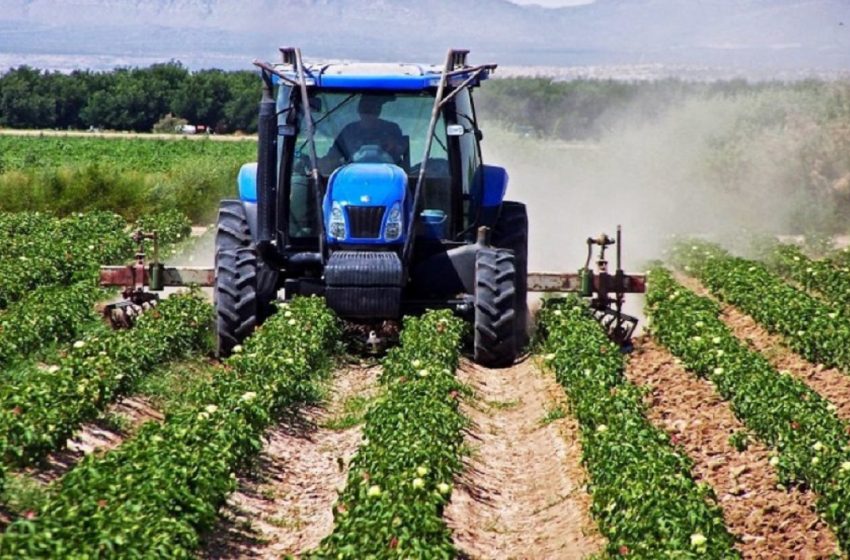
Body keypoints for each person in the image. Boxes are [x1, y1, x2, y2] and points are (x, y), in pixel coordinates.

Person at [323, 96, 404, 168]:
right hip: (351, 175)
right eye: (365, 110)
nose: (369, 114)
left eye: (372, 110)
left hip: (390, 173)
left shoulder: (391, 129)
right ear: (359, 110)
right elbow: (333, 156)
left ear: (378, 111)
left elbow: (402, 153)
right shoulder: (349, 131)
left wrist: (393, 147)